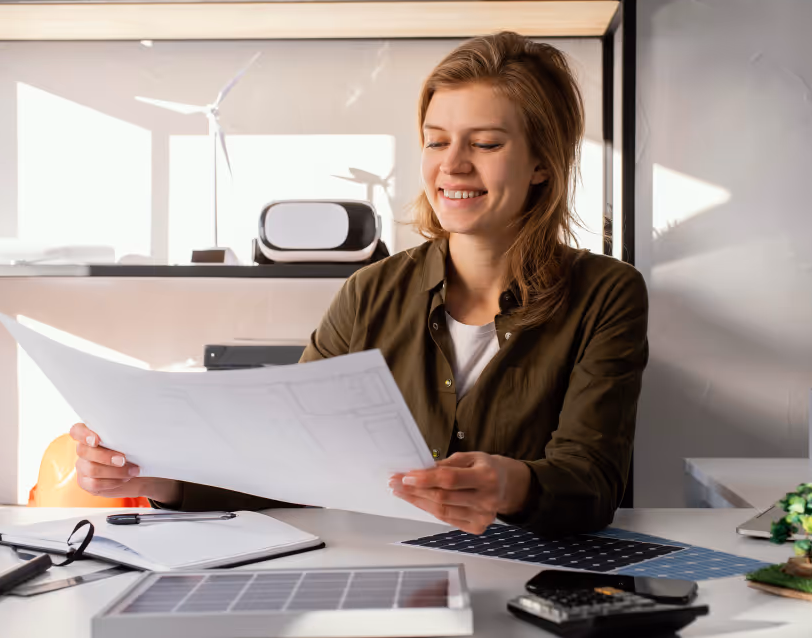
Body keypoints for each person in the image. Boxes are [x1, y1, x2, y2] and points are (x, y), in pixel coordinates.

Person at [69, 31, 649, 538]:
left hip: (531, 575)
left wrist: (514, 486)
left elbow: (592, 481)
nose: (452, 165)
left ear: (543, 162)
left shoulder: (607, 294)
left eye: (486, 143)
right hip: (385, 564)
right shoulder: (368, 292)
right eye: (436, 139)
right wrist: (160, 479)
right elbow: (290, 459)